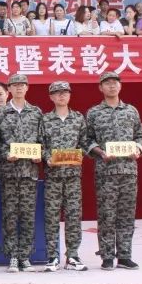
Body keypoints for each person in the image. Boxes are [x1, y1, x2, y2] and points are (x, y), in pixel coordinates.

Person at [85, 71, 142, 270]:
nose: (112, 86)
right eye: (107, 83)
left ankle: (125, 255)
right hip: (106, 171)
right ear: (100, 88)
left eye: (115, 83)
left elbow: (140, 135)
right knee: (106, 214)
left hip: (128, 170)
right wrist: (100, 152)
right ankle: (107, 256)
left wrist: (138, 148)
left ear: (120, 86)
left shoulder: (131, 111)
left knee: (127, 214)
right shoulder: (94, 112)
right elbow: (87, 140)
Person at [0, 73, 43, 273]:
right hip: (9, 172)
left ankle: (25, 256)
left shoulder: (36, 112)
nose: (18, 88)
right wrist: (6, 154)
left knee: (28, 215)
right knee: (10, 215)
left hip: (29, 172)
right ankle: (13, 256)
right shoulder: (0, 113)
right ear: (9, 90)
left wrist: (40, 154)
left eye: (22, 85)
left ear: (27, 88)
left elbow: (43, 139)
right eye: (14, 85)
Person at [40, 81, 88, 271]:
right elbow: (40, 144)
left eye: (65, 93)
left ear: (70, 95)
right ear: (51, 97)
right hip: (53, 176)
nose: (61, 96)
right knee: (51, 216)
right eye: (57, 93)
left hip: (73, 176)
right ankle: (52, 256)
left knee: (73, 216)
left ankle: (73, 256)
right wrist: (46, 158)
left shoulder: (78, 118)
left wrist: (79, 154)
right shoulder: (45, 120)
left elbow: (85, 143)